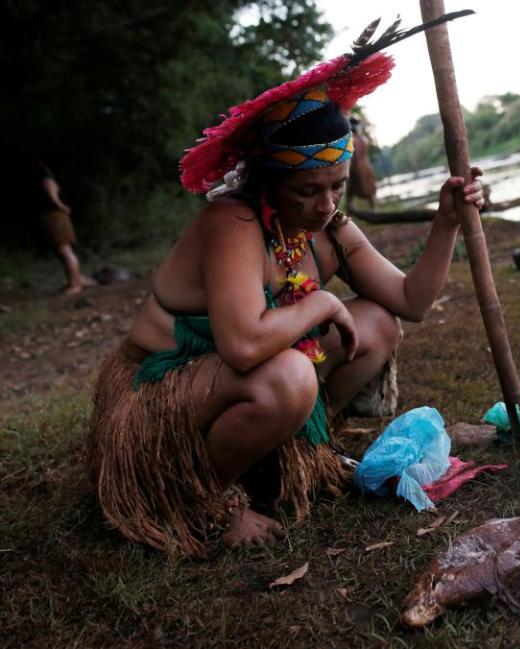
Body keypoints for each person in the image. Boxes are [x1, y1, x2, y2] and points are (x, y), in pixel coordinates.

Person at [86, 41, 484, 555]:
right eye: (306, 191)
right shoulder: (234, 222)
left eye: (336, 187)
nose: (324, 205)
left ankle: (289, 453)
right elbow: (246, 347)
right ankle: (205, 498)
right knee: (290, 376)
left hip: (231, 380)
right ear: (271, 183)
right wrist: (321, 304)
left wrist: (446, 221)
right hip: (159, 393)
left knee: (377, 324)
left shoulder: (331, 228)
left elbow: (412, 300)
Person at [28, 159, 94, 294]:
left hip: (54, 216)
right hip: (53, 216)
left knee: (65, 251)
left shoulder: (46, 180)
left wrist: (62, 207)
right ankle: (75, 280)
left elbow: (53, 198)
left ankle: (75, 284)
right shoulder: (45, 179)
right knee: (63, 251)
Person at [346, 116, 378, 212]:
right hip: (365, 165)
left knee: (354, 189)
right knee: (359, 189)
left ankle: (351, 210)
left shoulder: (353, 139)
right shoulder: (363, 138)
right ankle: (372, 209)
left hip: (356, 166)